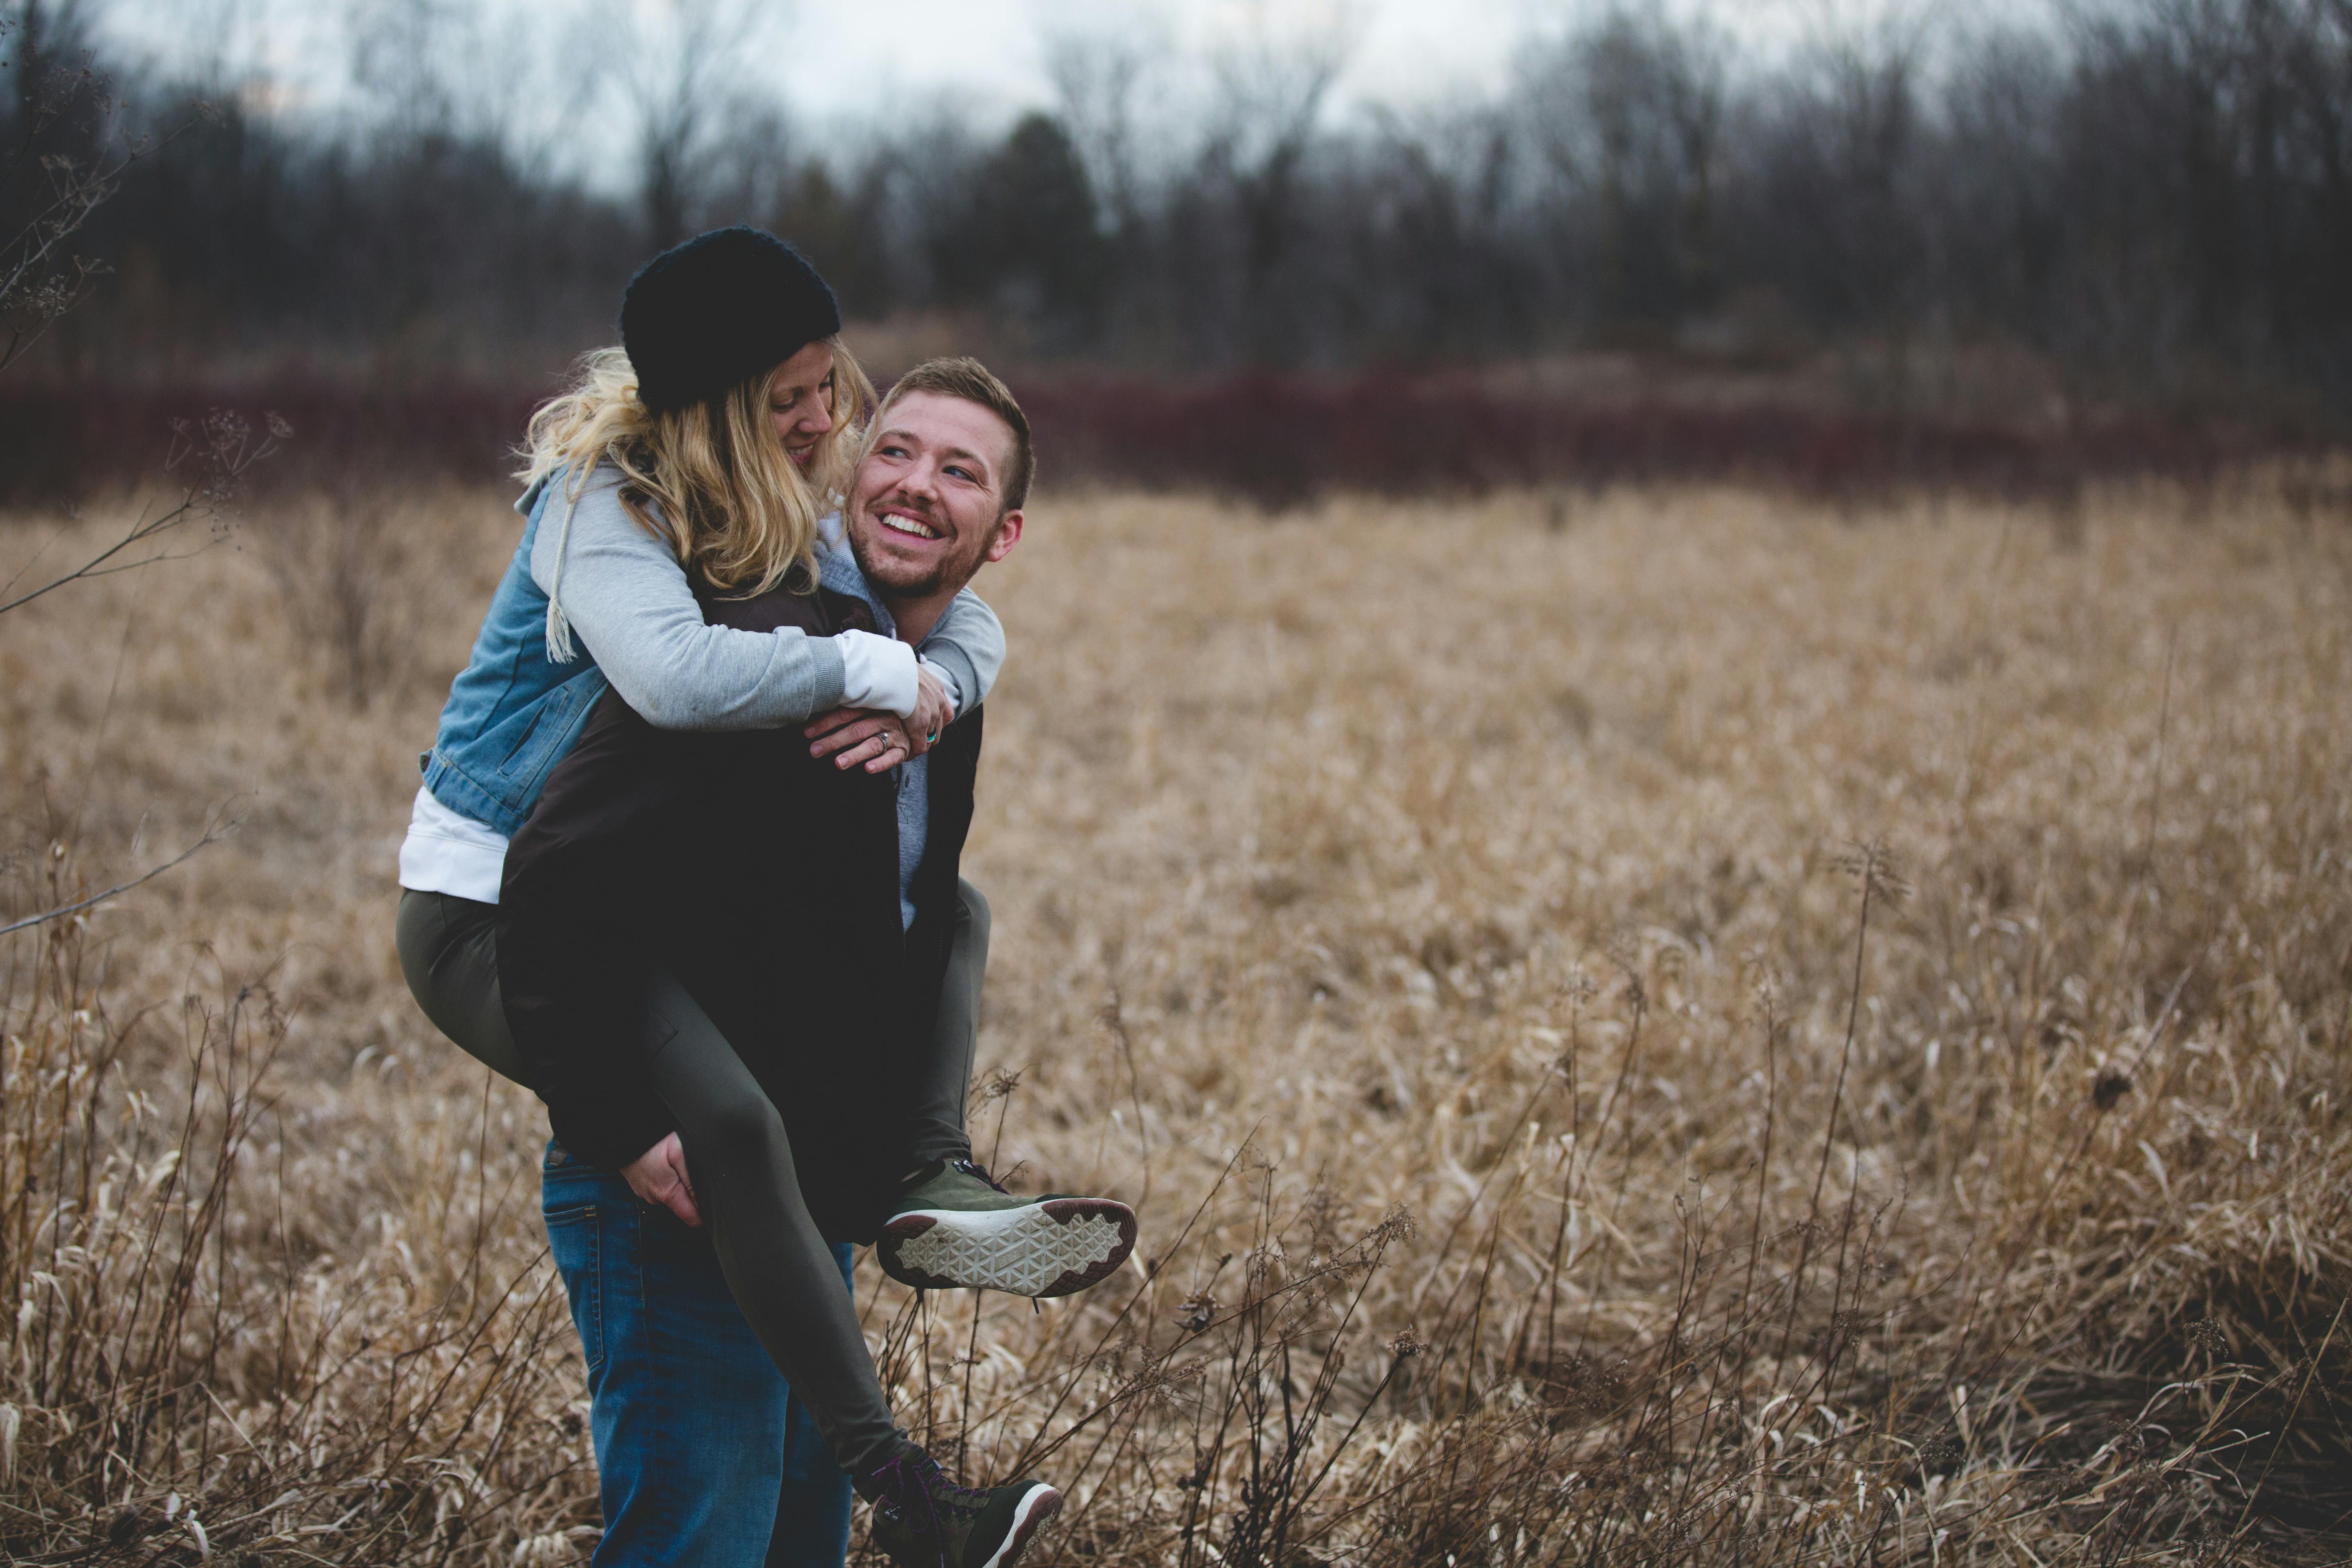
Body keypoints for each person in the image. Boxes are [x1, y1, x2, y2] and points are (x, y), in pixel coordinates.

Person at [391, 231, 1109, 1565]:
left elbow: (950, 616)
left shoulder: (794, 540)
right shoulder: (616, 514)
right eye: (800, 396)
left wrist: (938, 680)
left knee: (953, 915)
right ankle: (911, 1493)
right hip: (502, 904)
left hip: (692, 1026)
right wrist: (875, 676)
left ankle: (922, 1172)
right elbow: (653, 709)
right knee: (707, 1507)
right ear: (725, 406)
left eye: (835, 386)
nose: (831, 421)